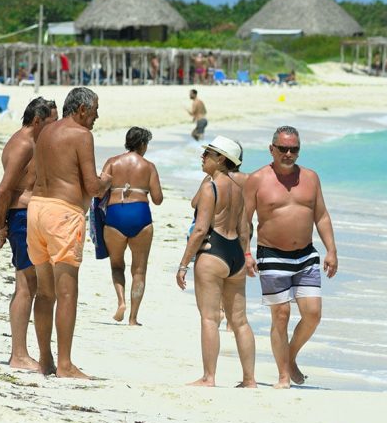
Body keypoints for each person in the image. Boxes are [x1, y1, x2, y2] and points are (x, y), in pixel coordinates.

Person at [243, 126, 338, 389]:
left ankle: (290, 357)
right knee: (281, 315)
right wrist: (247, 252)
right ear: (271, 149)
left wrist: (331, 249)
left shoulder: (310, 178)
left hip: (306, 255)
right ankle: (283, 376)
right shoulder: (257, 179)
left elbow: (321, 215)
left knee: (313, 314)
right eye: (282, 148)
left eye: (293, 149)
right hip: (271, 254)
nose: (288, 153)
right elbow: (244, 220)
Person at [28, 87, 111, 378]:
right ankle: (64, 364)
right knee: (67, 292)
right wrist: (107, 181)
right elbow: (92, 186)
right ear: (81, 109)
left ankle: (45, 360)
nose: (97, 116)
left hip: (36, 210)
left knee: (44, 292)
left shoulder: (46, 132)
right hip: (63, 214)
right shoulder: (81, 134)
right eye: (95, 110)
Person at [176, 136, 256, 388]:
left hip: (214, 252)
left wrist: (183, 264)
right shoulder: (241, 187)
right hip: (236, 255)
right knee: (240, 321)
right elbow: (245, 228)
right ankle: (249, 379)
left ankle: (209, 377)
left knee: (210, 319)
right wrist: (246, 255)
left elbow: (200, 230)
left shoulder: (211, 187)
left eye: (208, 154)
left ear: (221, 159)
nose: (203, 157)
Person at [0, 98, 58, 372]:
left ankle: (21, 352)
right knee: (26, 285)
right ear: (37, 121)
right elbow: (4, 190)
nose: (55, 129)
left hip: (28, 217)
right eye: (52, 123)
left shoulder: (35, 143)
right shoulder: (23, 144)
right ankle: (18, 354)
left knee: (31, 285)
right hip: (20, 218)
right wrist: (0, 226)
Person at [101, 127, 163, 325]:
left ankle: (121, 302)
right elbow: (158, 199)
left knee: (117, 264)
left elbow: (98, 189)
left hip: (115, 215)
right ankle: (133, 318)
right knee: (139, 270)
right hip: (140, 216)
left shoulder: (112, 162)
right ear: (143, 144)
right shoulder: (149, 166)